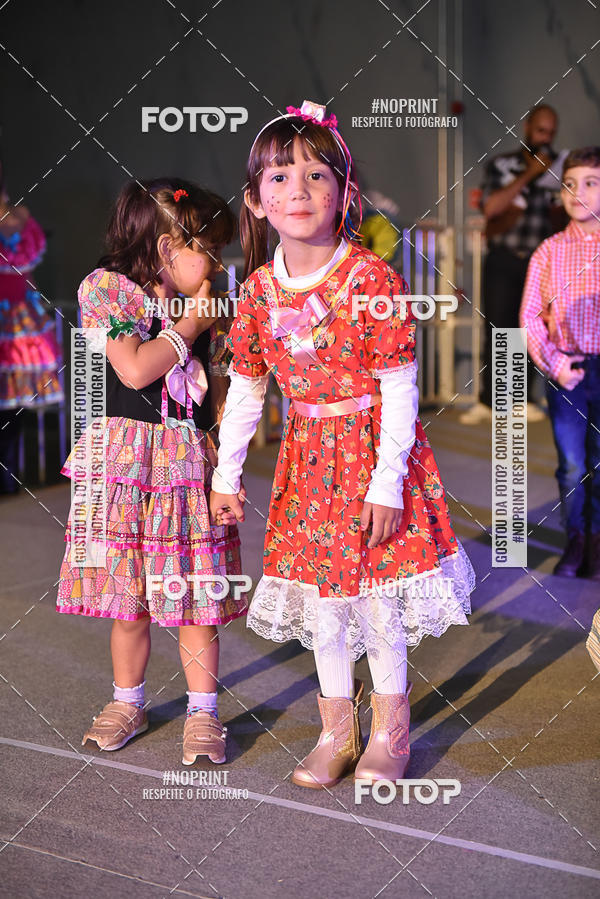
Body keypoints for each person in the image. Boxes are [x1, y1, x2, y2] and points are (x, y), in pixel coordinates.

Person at [210, 101, 476, 789]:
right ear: (256, 199)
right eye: (278, 177)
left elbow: (399, 386)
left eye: (315, 175)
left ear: (344, 193)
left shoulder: (372, 279)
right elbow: (246, 388)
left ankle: (390, 731)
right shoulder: (258, 292)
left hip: (370, 456)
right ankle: (336, 729)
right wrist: (226, 472)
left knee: (376, 595)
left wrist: (388, 482)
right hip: (307, 463)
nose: (297, 191)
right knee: (326, 599)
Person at [56, 178, 246, 763]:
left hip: (185, 458)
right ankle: (127, 699)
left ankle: (203, 712)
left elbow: (219, 385)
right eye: (208, 250)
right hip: (123, 461)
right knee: (129, 596)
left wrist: (224, 467)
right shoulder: (106, 289)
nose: (218, 263)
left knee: (191, 592)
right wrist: (188, 325)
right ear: (167, 247)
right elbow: (136, 369)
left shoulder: (207, 300)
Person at [520, 147, 600, 579]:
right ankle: (576, 543)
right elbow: (531, 316)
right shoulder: (548, 252)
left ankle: (597, 545)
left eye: (591, 182)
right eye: (570, 184)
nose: (578, 192)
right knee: (572, 465)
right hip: (567, 371)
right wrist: (555, 364)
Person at [460, 104, 568, 425]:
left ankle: (521, 399)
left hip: (541, 262)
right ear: (526, 127)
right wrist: (530, 174)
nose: (545, 138)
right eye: (540, 130)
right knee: (497, 329)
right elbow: (491, 207)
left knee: (533, 330)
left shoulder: (562, 168)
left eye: (550, 132)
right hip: (503, 257)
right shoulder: (502, 164)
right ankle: (489, 401)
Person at [0, 158, 63, 492]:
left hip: (20, 321)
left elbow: (28, 273)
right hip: (16, 318)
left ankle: (8, 477)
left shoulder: (21, 217)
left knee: (16, 401)